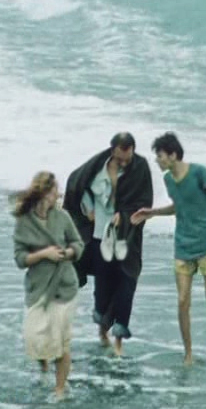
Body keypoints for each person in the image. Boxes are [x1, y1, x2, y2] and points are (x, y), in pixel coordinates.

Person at [131, 131, 206, 366]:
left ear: (172, 155)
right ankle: (188, 353)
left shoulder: (198, 172)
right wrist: (152, 213)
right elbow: (178, 207)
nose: (157, 160)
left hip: (205, 245)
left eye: (160, 156)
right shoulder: (168, 180)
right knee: (182, 300)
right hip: (182, 246)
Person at [63, 132, 153, 357]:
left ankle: (119, 340)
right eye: (120, 157)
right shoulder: (98, 164)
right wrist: (87, 208)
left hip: (126, 238)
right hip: (98, 235)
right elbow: (77, 183)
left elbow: (144, 201)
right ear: (113, 150)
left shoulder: (140, 167)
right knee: (103, 286)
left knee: (126, 284)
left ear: (133, 150)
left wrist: (123, 215)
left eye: (128, 157)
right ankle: (102, 332)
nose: (124, 162)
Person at [13, 171, 84, 399]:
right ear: (44, 192)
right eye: (54, 191)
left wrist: (69, 252)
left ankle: (59, 389)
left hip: (65, 286)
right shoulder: (24, 221)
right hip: (39, 287)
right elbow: (20, 259)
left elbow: (78, 243)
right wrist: (44, 254)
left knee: (62, 342)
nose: (57, 195)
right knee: (35, 338)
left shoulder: (62, 216)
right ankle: (44, 367)